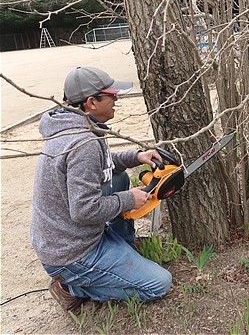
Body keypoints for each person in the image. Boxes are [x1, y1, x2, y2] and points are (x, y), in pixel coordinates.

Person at [30, 66, 172, 314]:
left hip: (67, 237)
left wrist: (137, 156)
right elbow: (84, 210)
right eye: (111, 95)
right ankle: (72, 287)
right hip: (72, 253)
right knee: (159, 284)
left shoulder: (76, 125)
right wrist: (130, 199)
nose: (117, 98)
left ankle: (121, 247)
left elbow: (102, 164)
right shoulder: (81, 143)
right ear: (91, 102)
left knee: (116, 179)